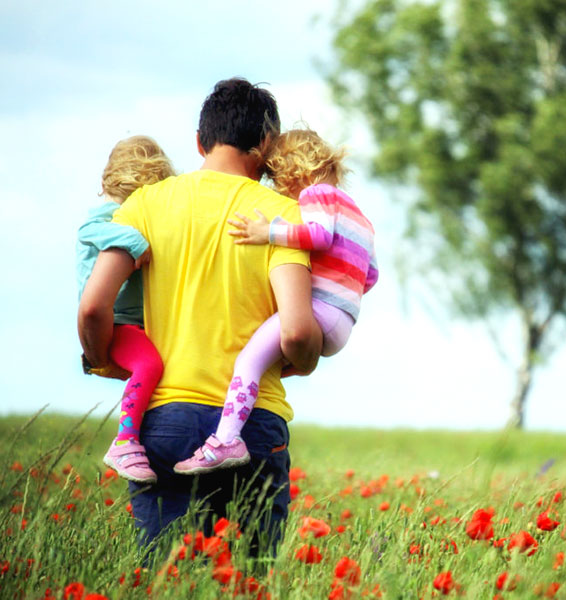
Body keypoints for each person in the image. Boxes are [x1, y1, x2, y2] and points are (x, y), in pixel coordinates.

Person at [78, 78, 322, 553]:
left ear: (199, 140)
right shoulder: (282, 216)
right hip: (252, 425)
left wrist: (102, 357)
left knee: (169, 576)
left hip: (164, 420)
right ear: (267, 145)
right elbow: (295, 331)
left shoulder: (145, 204)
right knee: (249, 580)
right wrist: (306, 358)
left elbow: (92, 305)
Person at [174, 128, 378, 474]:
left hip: (319, 310)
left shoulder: (317, 194)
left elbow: (318, 235)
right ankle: (239, 421)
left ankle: (226, 440)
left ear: (292, 171)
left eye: (277, 179)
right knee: (269, 361)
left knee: (248, 361)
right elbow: (370, 276)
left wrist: (267, 232)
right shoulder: (360, 217)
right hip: (344, 320)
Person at [76, 136, 174, 484]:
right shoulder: (109, 214)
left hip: (133, 321)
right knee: (149, 364)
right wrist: (135, 242)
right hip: (116, 322)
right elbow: (89, 230)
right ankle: (125, 440)